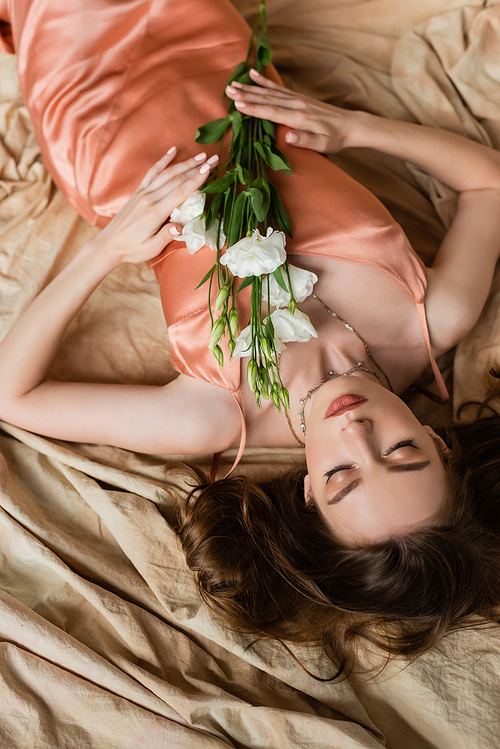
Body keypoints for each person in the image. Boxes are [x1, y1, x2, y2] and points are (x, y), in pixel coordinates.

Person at [1, 0, 500, 676]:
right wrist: (356, 129)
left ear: (305, 493)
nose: (355, 431)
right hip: (216, 51)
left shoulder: (216, 414)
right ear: (440, 441)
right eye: (403, 449)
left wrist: (108, 251)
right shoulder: (436, 316)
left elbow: (15, 394)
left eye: (342, 475)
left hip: (99, 113)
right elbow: (487, 183)